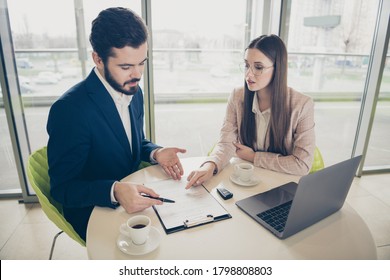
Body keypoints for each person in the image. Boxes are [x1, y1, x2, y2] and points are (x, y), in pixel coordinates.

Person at [47, 7, 186, 241]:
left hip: (134, 198)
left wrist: (156, 153)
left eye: (142, 63)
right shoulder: (70, 110)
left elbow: (132, 142)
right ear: (98, 59)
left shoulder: (134, 90)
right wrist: (114, 190)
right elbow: (63, 189)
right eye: (126, 67)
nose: (137, 74)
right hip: (95, 211)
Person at [186, 34, 315, 189]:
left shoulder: (301, 105)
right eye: (247, 65)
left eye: (258, 67)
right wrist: (209, 165)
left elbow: (301, 165)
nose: (249, 74)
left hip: (280, 185)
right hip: (244, 180)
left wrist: (254, 157)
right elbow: (227, 143)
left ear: (278, 69)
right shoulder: (237, 96)